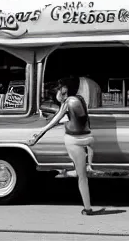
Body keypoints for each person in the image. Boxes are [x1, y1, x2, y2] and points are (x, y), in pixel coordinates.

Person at [28, 76, 98, 215]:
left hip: (75, 140)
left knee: (82, 177)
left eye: (60, 89)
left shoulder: (69, 102)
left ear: (65, 89)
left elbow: (55, 120)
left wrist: (39, 134)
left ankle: (87, 208)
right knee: (82, 173)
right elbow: (82, 120)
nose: (57, 92)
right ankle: (81, 168)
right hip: (87, 138)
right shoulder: (80, 99)